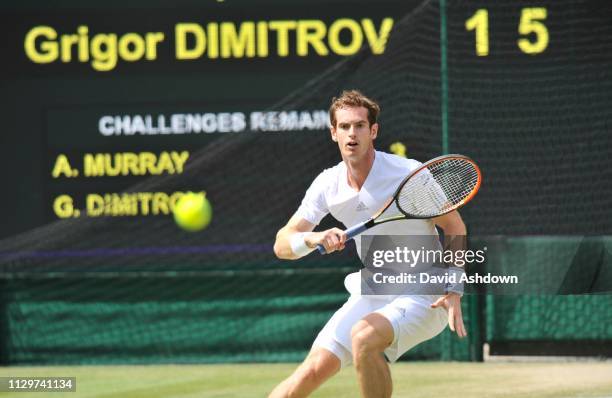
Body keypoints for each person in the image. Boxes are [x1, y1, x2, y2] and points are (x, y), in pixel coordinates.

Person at [269, 90, 467, 398]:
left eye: (360, 126)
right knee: (307, 374)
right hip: (375, 289)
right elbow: (282, 244)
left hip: (425, 292)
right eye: (345, 126)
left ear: (373, 131)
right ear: (333, 133)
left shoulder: (407, 174)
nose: (352, 133)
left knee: (363, 336)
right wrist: (313, 237)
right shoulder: (327, 184)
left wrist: (454, 286)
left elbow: (454, 226)